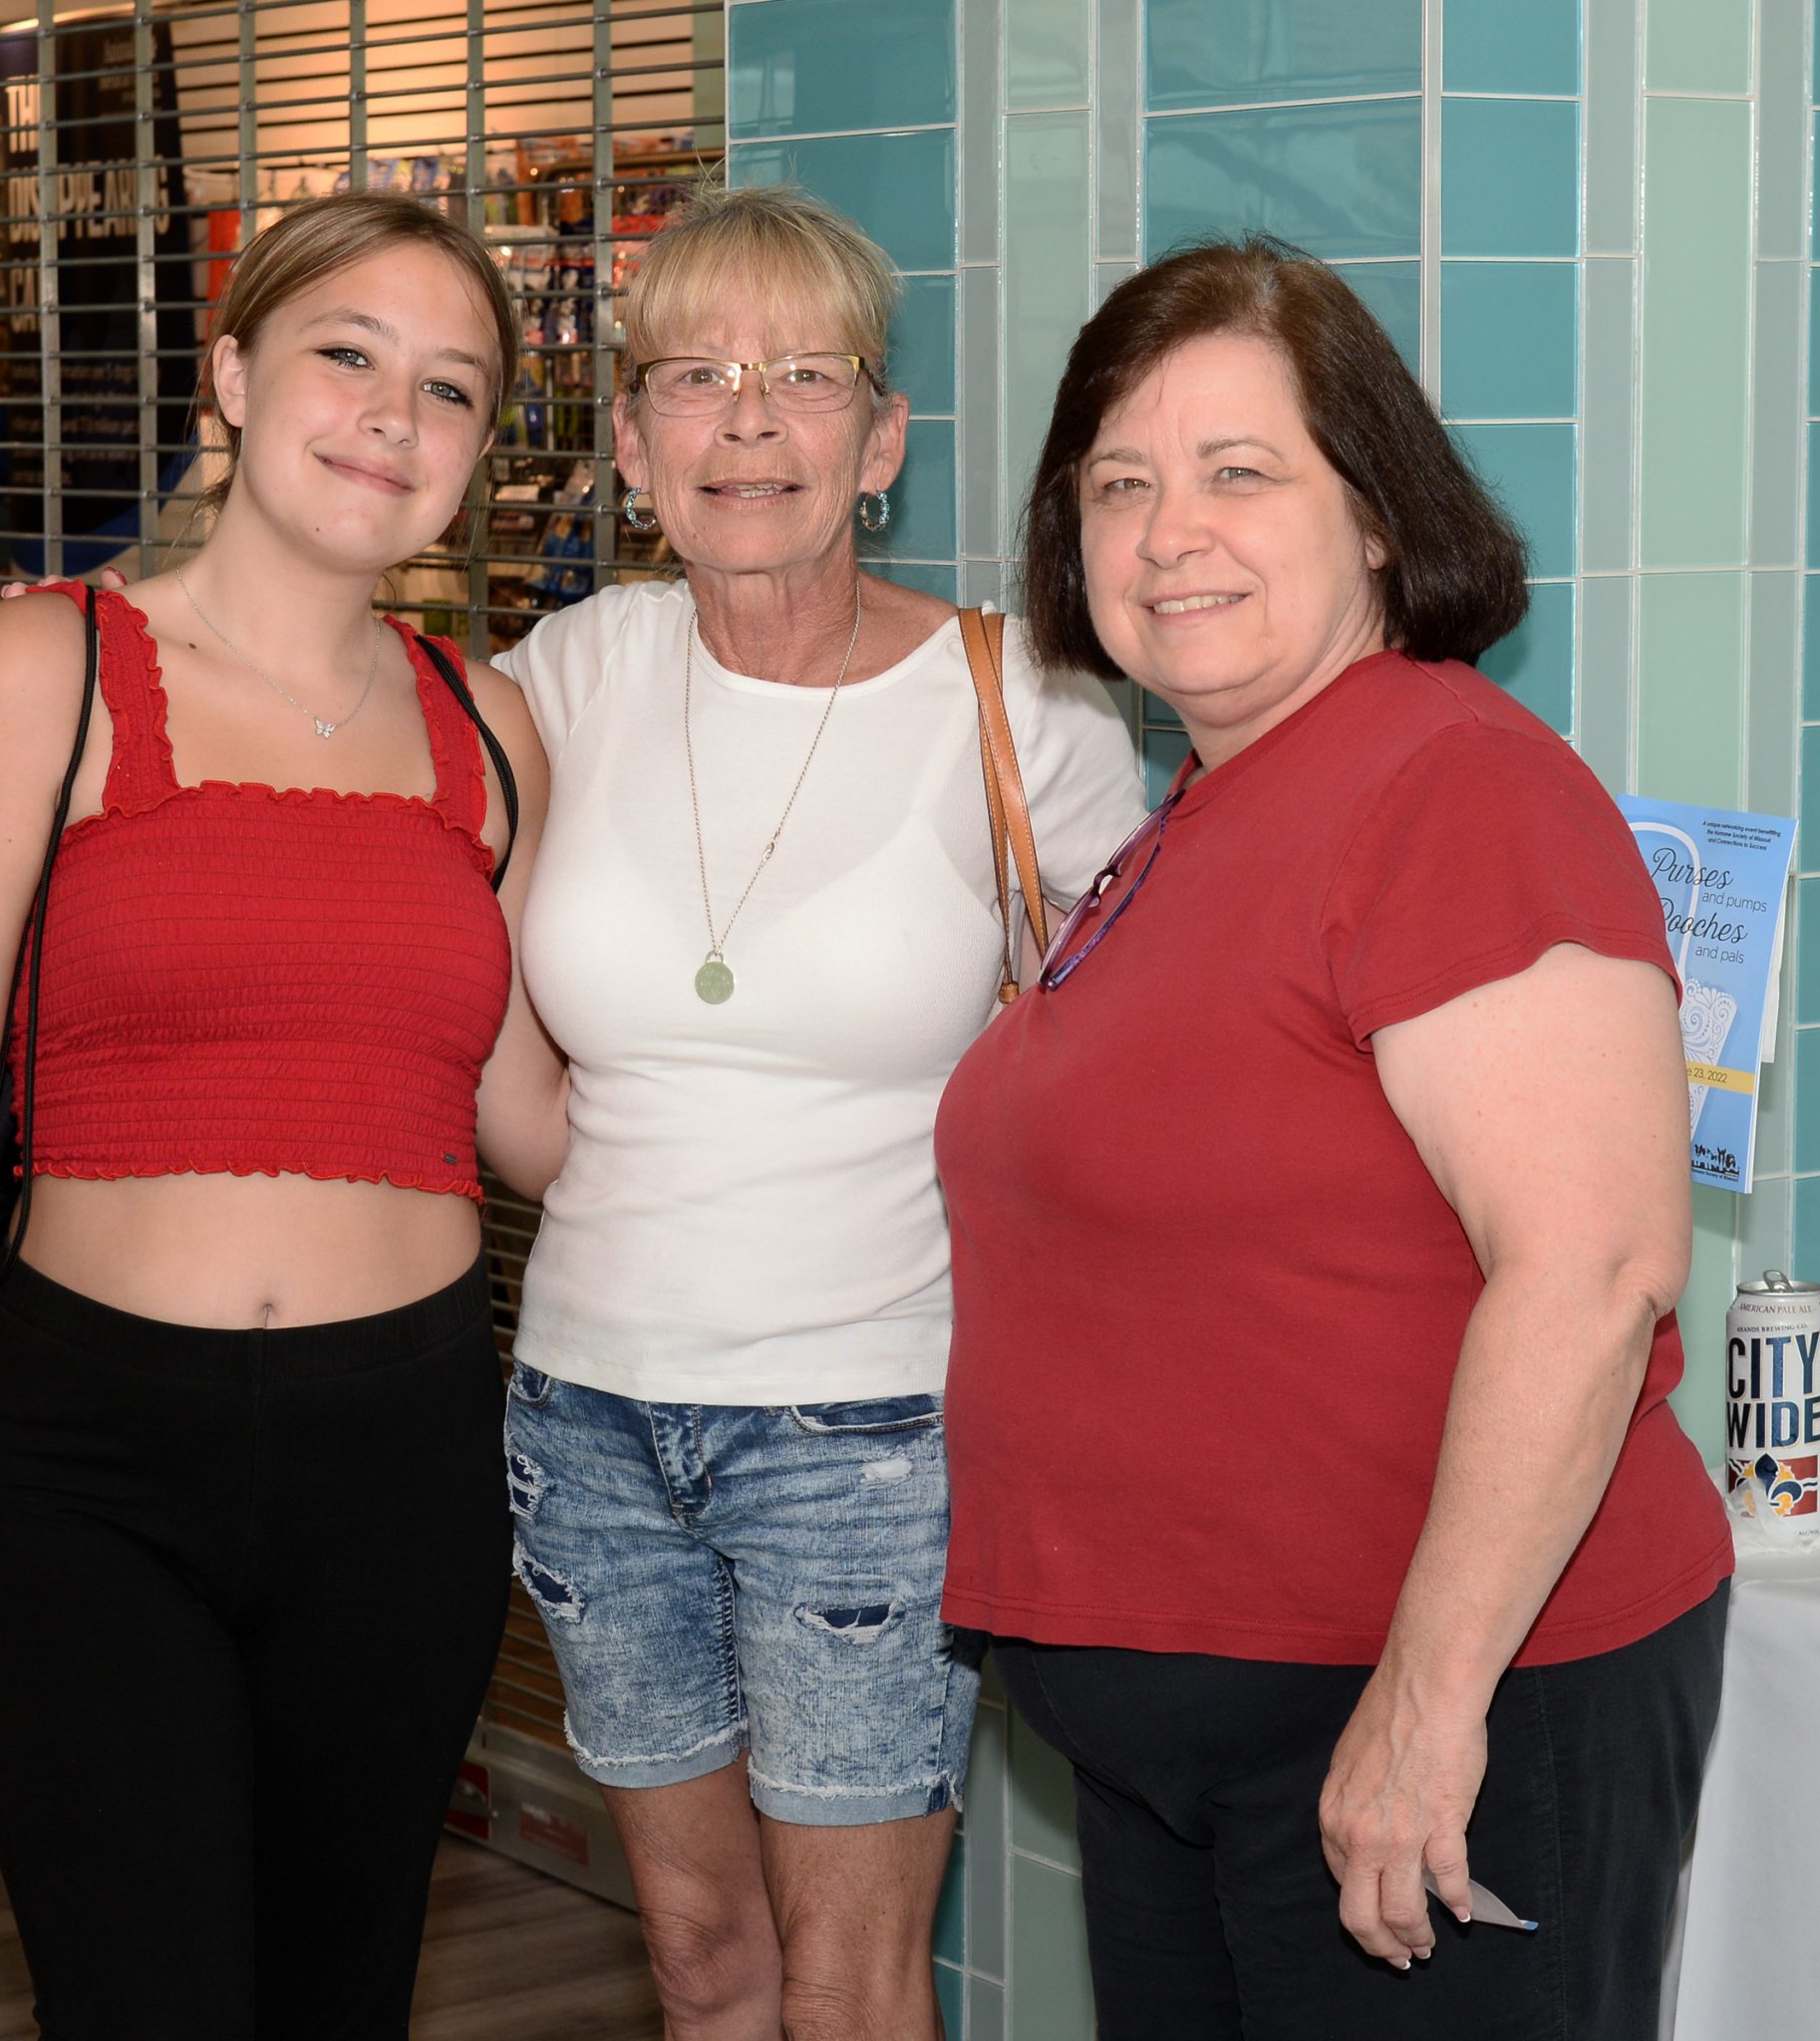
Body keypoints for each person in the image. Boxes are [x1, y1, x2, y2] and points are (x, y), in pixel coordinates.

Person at [933, 235, 1733, 2040]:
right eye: (1119, 485)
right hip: (1199, 1741)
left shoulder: (1452, 787)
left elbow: (1595, 1268)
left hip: (1427, 1716)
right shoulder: (1214, 804)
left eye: (1239, 472)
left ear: (1376, 514)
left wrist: (1427, 1706)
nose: (1167, 535)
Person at [0, 193, 560, 2040]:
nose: (392, 416)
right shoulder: (43, 667)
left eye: (450, 388)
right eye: (345, 355)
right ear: (229, 374)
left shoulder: (491, 731)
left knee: (341, 2000)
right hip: (83, 1469)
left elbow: (528, 1112)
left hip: (406, 1467)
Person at [492, 184, 1145, 2038]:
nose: (750, 420)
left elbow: (1140, 1060)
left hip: (871, 1431)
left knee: (852, 1988)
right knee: (703, 1963)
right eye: (694, 376)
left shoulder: (1022, 708)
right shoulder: (558, 682)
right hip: (584, 1419)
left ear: (883, 440)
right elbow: (481, 1033)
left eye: (804, 374)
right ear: (633, 446)